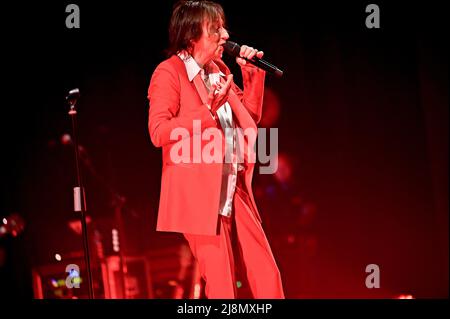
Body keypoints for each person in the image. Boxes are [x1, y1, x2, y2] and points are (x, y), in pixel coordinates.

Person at [147, 0, 284, 299]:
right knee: (222, 283)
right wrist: (207, 113)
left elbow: (250, 117)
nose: (225, 35)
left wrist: (251, 74)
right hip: (199, 193)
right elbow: (158, 132)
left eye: (223, 27)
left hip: (234, 186)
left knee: (266, 272)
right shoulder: (169, 73)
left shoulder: (218, 70)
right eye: (215, 29)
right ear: (192, 35)